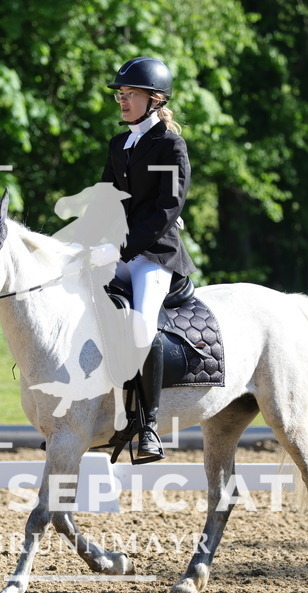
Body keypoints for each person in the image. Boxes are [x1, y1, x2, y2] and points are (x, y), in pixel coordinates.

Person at [102, 56, 196, 463]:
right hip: (120, 250)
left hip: (155, 255)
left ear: (155, 99)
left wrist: (120, 248)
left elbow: (165, 209)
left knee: (141, 328)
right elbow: (107, 200)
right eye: (120, 94)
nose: (123, 101)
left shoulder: (169, 145)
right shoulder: (118, 144)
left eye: (131, 94)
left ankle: (150, 426)